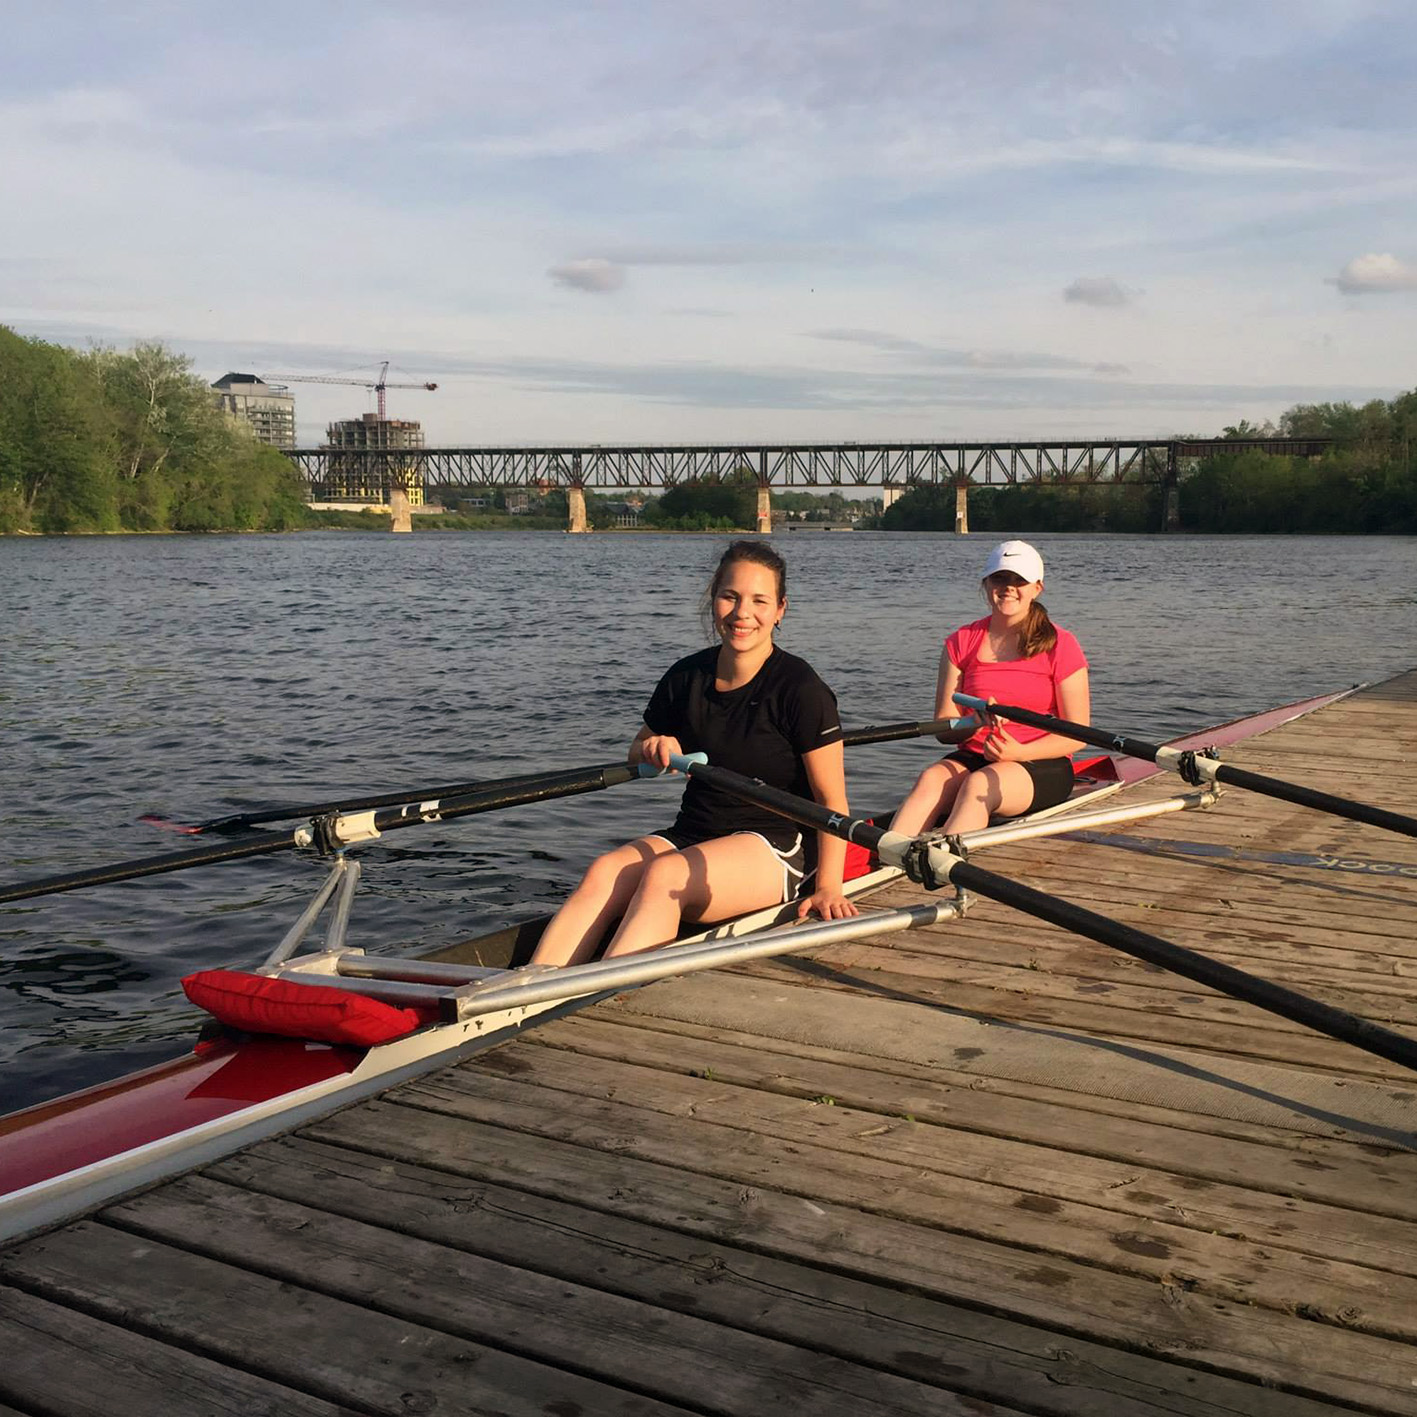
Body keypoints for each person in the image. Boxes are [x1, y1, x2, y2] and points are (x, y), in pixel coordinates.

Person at [530, 540, 857, 968]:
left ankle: (596, 992)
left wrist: (830, 886)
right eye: (730, 596)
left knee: (665, 875)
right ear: (713, 599)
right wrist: (652, 747)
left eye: (759, 601)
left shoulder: (801, 688)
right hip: (696, 830)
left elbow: (831, 801)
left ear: (780, 610)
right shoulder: (687, 676)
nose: (743, 613)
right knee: (605, 870)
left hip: (779, 845)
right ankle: (528, 988)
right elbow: (636, 751)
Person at [890, 539, 1090, 839]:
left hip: (1040, 762)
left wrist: (1020, 752)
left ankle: (943, 862)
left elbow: (1078, 733)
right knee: (930, 779)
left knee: (978, 784)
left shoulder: (1062, 645)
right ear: (986, 584)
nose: (1008, 587)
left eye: (1018, 580)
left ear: (1037, 588)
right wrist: (972, 723)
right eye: (1000, 578)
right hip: (975, 754)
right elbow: (944, 729)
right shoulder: (961, 641)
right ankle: (886, 858)